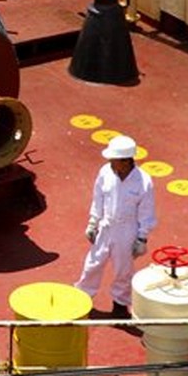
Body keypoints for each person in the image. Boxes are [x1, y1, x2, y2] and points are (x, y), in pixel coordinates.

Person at [73, 135, 156, 318]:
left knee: (123, 270)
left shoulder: (143, 182)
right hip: (106, 226)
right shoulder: (105, 172)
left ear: (126, 161)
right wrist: (93, 222)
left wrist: (142, 238)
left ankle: (119, 306)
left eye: (114, 160)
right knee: (92, 264)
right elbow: (98, 198)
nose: (111, 162)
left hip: (127, 231)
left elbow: (146, 212)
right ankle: (82, 297)